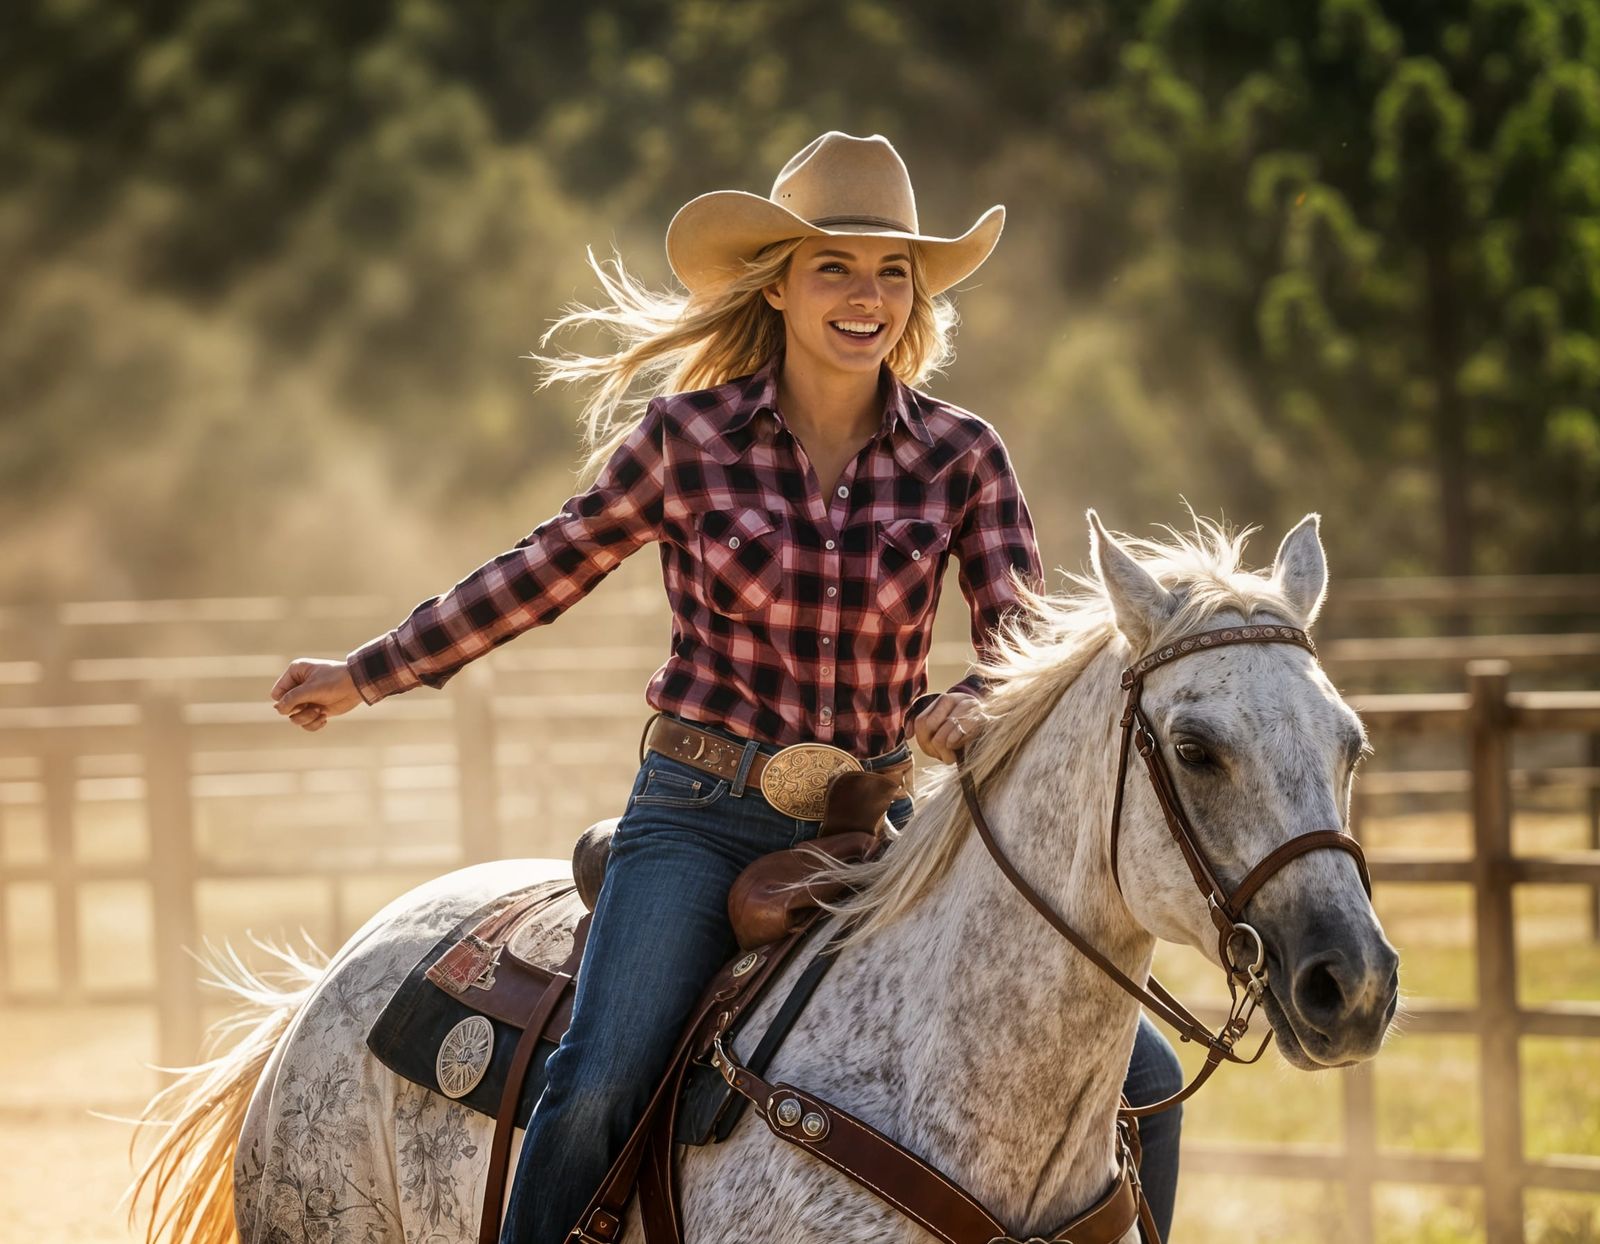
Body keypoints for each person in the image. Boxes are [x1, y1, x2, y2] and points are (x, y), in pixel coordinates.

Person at [268, 132, 1184, 1243]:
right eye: (834, 268)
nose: (868, 297)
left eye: (892, 271)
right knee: (602, 1071)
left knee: (1139, 1067)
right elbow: (539, 572)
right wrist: (367, 674)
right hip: (697, 818)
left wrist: (976, 702)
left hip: (878, 826)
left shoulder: (963, 456)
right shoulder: (689, 438)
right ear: (780, 285)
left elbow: (1017, 642)